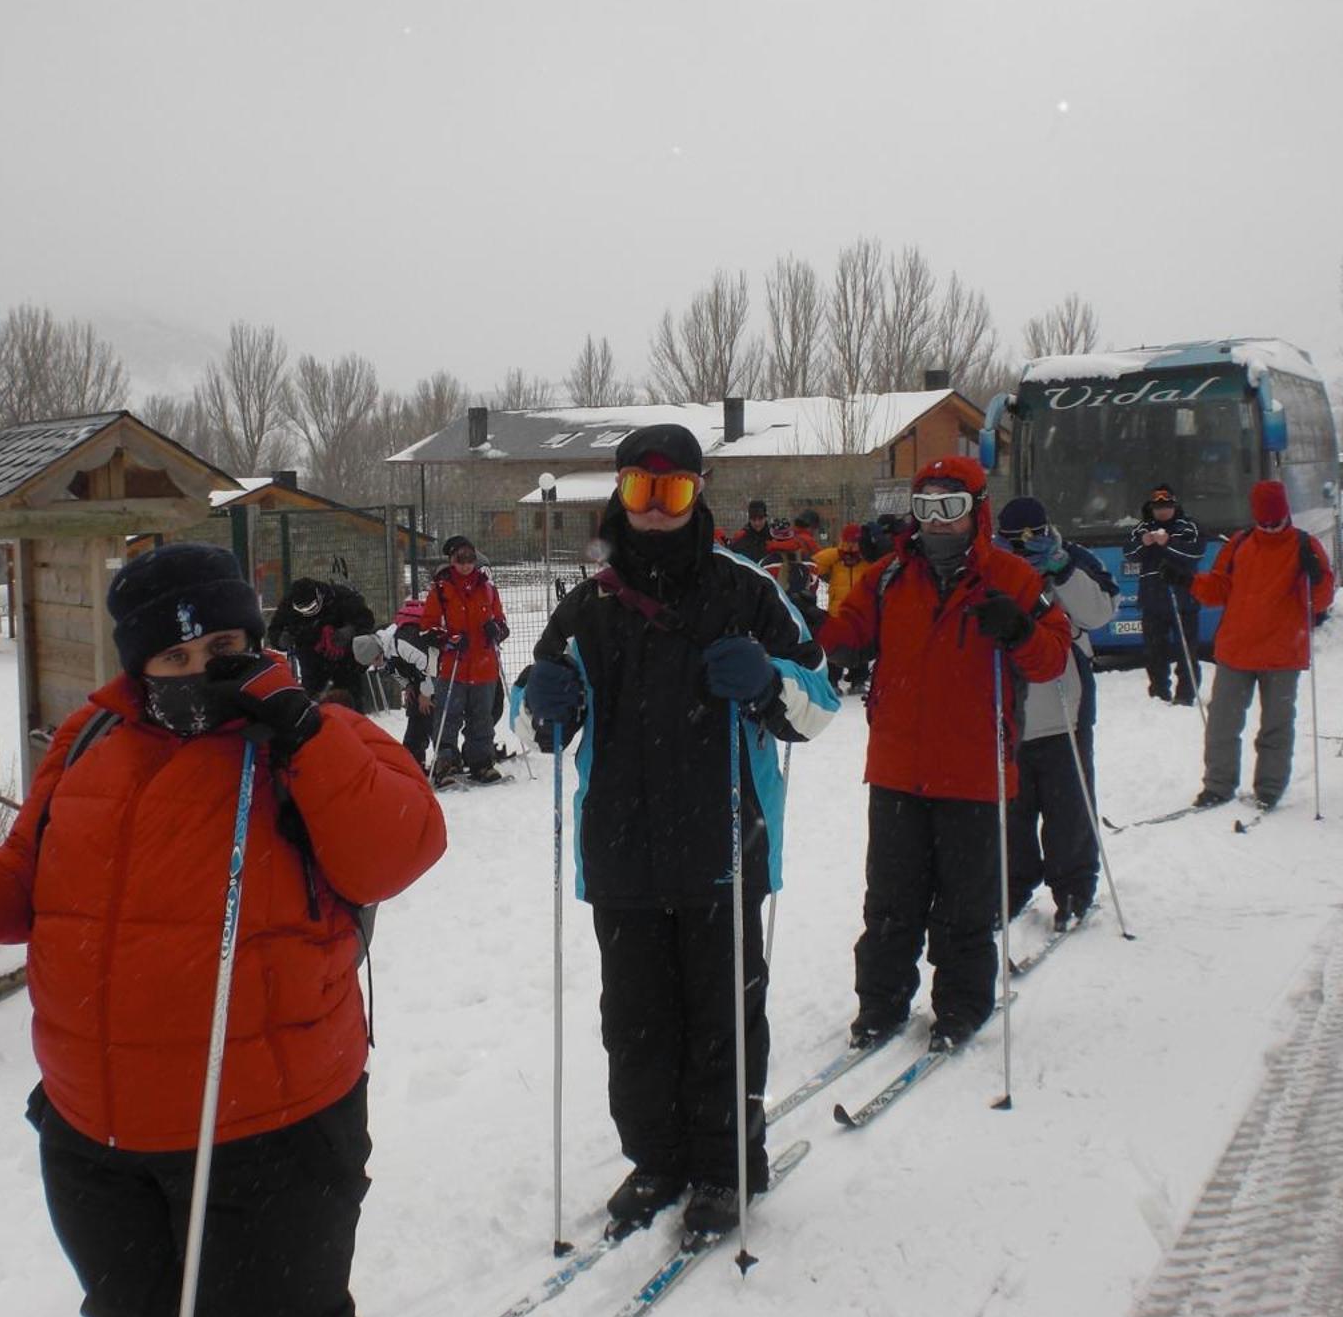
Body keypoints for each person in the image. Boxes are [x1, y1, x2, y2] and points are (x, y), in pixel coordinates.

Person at [0, 542, 445, 1317]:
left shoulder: (319, 733)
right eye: (174, 656)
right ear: (141, 664)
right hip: (96, 1135)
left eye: (221, 649)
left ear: (253, 642)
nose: (200, 672)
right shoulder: (90, 738)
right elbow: (32, 875)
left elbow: (399, 850)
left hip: (265, 1132)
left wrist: (303, 731)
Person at [516, 424, 837, 1239]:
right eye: (639, 491)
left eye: (675, 492)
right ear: (619, 495)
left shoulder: (746, 591)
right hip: (620, 850)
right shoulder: (588, 603)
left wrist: (768, 684)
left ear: (699, 494)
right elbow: (542, 724)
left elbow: (820, 701)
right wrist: (544, 705)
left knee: (722, 1015)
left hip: (725, 843)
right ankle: (656, 1156)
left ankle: (725, 1165)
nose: (655, 510)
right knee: (635, 1019)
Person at [818, 456, 1071, 1052]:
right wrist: (813, 628)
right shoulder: (886, 577)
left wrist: (1019, 630)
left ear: (976, 511)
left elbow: (1053, 656)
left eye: (951, 508)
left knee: (965, 904)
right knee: (889, 902)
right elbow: (847, 637)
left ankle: (960, 1005)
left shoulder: (1011, 579)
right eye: (926, 508)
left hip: (974, 771)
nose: (937, 522)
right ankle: (880, 1005)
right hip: (898, 769)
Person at [993, 497, 1118, 930]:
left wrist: (1061, 570)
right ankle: (1012, 884)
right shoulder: (991, 568)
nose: (1024, 548)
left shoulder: (1073, 559)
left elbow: (1100, 613)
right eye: (1014, 542)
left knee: (1070, 808)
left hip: (1067, 703)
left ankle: (1074, 887)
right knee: (1012, 809)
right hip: (1009, 708)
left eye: (1031, 538)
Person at [1189, 481, 1336, 809]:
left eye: (1275, 521)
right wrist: (1188, 580)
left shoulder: (1304, 546)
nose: (1269, 528)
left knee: (1276, 726)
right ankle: (1218, 785)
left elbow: (1320, 602)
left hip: (1283, 654)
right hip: (1236, 651)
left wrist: (1316, 579)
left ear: (1285, 513)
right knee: (1222, 724)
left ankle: (1269, 788)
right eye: (1263, 522)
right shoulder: (1240, 544)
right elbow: (1217, 590)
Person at [420, 536, 511, 786]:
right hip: (454, 666)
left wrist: (497, 629)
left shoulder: (488, 588)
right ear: (451, 560)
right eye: (460, 559)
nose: (466, 564)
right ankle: (446, 762)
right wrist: (449, 640)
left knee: (482, 716)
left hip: (484, 666)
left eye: (470, 558)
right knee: (449, 715)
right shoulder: (440, 589)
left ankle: (481, 762)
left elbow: (502, 622)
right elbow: (427, 628)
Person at [1126, 484, 1206, 705]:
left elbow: (1196, 551)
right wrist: (1144, 543)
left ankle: (1186, 695)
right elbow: (1129, 553)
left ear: (1174, 505)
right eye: (1158, 507)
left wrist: (1168, 543)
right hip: (1152, 601)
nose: (1162, 511)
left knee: (1186, 651)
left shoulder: (1188, 526)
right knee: (1154, 654)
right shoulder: (1142, 528)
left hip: (1183, 600)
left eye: (1167, 506)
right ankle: (1159, 694)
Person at [350, 598, 443, 771]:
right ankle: (413, 759)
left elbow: (430, 664)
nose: (376, 666)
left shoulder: (401, 643)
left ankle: (444, 759)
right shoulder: (386, 648)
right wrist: (407, 686)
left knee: (428, 714)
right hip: (421, 678)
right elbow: (396, 670)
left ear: (376, 653)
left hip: (437, 674)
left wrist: (426, 693)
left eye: (374, 662)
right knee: (417, 715)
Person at [265, 577, 378, 706]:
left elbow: (367, 619)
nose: (309, 613)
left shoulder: (339, 596)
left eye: (312, 607)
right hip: (312, 668)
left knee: (350, 706)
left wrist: (349, 631)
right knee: (317, 710)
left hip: (346, 665)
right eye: (303, 610)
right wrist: (281, 639)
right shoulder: (287, 606)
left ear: (319, 596)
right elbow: (274, 630)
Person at [811, 525, 879, 692]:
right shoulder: (836, 561)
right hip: (837, 612)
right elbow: (815, 563)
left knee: (860, 649)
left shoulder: (867, 562)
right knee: (835, 651)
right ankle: (833, 681)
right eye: (848, 542)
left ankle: (858, 680)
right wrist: (837, 552)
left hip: (861, 614)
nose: (851, 547)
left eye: (855, 543)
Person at [727, 498, 773, 563]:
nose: (757, 523)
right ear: (749, 519)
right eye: (754, 519)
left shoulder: (773, 537)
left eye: (760, 519)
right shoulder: (740, 539)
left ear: (765, 518)